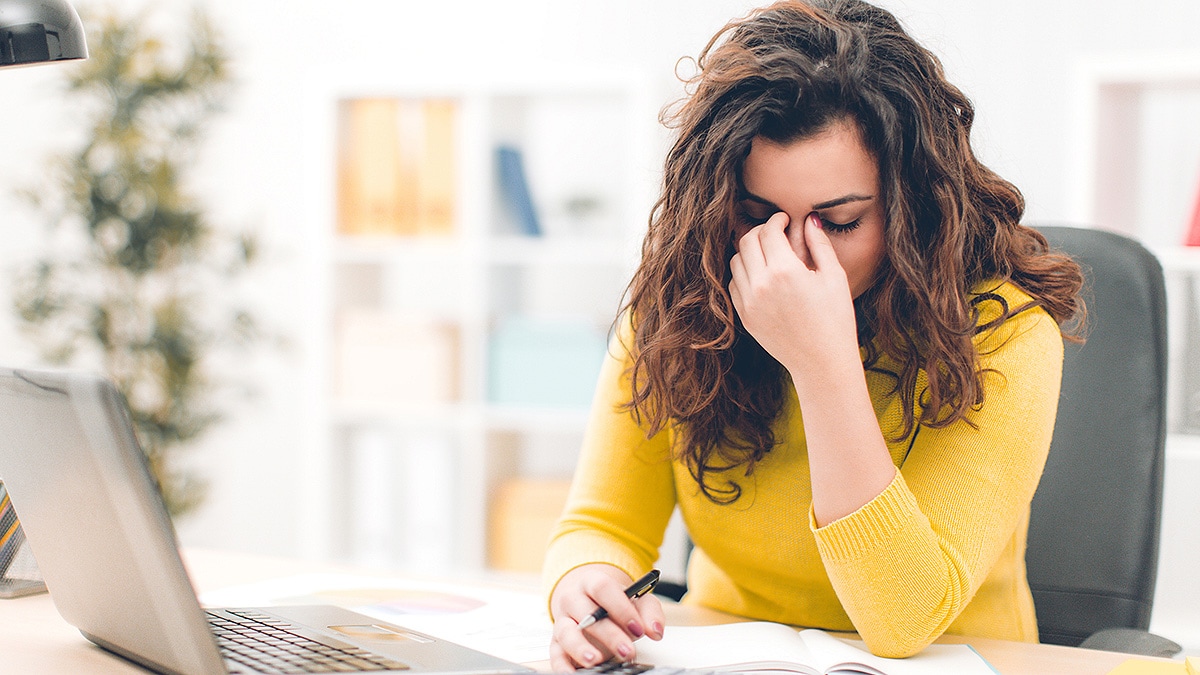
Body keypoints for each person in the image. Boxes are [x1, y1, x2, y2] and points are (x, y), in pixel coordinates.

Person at [541, 0, 1085, 669]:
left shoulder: (1006, 331)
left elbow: (903, 619)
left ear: (911, 205)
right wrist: (584, 582)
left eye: (840, 221)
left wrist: (821, 361)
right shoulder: (679, 306)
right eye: (758, 215)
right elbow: (602, 525)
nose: (794, 259)